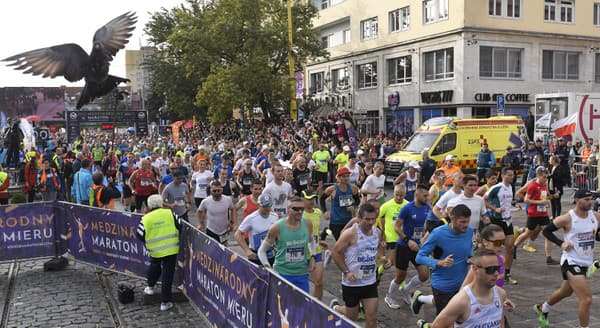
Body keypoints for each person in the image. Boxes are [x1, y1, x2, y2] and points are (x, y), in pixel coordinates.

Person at [535, 189, 600, 328]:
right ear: (577, 200)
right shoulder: (567, 218)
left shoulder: (595, 216)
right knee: (586, 299)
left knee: (565, 292)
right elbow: (546, 231)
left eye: (591, 199)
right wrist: (561, 243)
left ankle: (543, 308)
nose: (590, 202)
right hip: (571, 261)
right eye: (587, 199)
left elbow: (596, 235)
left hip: (586, 261)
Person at [329, 203, 391, 328]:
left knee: (372, 318)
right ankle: (336, 308)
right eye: (367, 219)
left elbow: (378, 247)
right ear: (359, 218)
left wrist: (383, 258)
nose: (370, 222)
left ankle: (339, 308)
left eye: (373, 219)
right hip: (352, 283)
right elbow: (336, 252)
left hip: (369, 282)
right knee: (353, 318)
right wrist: (346, 272)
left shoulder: (377, 232)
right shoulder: (350, 234)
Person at [422, 249, 509, 328]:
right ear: (475, 269)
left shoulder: (501, 294)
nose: (496, 273)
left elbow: (500, 324)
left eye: (498, 268)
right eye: (491, 269)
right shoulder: (461, 301)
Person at [413, 205, 474, 315]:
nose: (466, 226)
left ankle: (420, 299)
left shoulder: (469, 231)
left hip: (463, 284)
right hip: (443, 285)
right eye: (462, 222)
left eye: (467, 222)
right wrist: (439, 262)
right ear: (452, 219)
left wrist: (471, 257)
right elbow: (420, 257)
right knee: (446, 320)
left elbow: (469, 249)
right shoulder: (438, 233)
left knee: (461, 318)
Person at [385, 184, 430, 309]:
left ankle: (406, 289)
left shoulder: (427, 207)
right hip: (404, 246)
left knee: (424, 275)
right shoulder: (407, 208)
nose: (427, 198)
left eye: (428, 195)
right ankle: (389, 296)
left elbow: (427, 226)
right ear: (417, 194)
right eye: (425, 195)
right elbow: (397, 227)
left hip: (418, 247)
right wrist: (408, 240)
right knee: (400, 276)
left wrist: (424, 238)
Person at [258, 196, 315, 293]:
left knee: (302, 306)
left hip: (302, 274)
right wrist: (268, 268)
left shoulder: (308, 224)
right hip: (282, 274)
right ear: (288, 209)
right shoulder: (277, 228)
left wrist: (313, 256)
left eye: (302, 209)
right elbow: (261, 251)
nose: (300, 212)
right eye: (296, 209)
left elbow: (311, 240)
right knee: (281, 306)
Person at [136, 194, 182, 312]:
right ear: (161, 203)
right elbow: (180, 225)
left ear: (149, 206)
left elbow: (139, 234)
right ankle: (165, 302)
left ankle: (150, 287)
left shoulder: (146, 218)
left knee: (154, 267)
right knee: (168, 274)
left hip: (155, 250)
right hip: (171, 248)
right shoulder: (170, 213)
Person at [514, 166, 559, 265]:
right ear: (538, 176)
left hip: (543, 214)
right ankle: (514, 246)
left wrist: (549, 200)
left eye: (546, 177)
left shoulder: (545, 185)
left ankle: (549, 257)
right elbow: (526, 199)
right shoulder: (532, 185)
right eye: (543, 177)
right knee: (528, 233)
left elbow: (546, 196)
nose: (545, 179)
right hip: (533, 214)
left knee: (548, 234)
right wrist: (539, 202)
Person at [484, 167, 518, 285]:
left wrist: (514, 204)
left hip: (507, 220)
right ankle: (491, 271)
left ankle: (507, 273)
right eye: (509, 175)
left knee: (510, 248)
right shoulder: (496, 187)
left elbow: (507, 202)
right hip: (497, 221)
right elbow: (484, 200)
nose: (512, 177)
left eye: (513, 175)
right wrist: (495, 209)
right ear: (503, 176)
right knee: (496, 248)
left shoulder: (510, 187)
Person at [235, 194, 278, 266]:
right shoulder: (251, 218)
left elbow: (276, 234)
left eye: (269, 205)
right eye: (264, 206)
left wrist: (277, 247)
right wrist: (247, 251)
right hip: (255, 256)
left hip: (270, 255)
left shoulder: (275, 216)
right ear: (258, 205)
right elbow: (238, 234)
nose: (267, 208)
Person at [301, 190, 329, 300]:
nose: (311, 201)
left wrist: (320, 241)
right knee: (303, 282)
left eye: (312, 198)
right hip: (302, 253)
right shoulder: (299, 214)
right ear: (302, 199)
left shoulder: (318, 212)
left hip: (316, 251)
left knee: (319, 281)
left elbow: (315, 232)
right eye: (308, 199)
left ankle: (318, 304)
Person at [325, 167, 360, 240]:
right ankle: (325, 232)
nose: (346, 178)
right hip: (336, 221)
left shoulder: (353, 188)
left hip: (348, 220)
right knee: (341, 243)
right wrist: (325, 211)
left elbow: (357, 200)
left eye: (348, 176)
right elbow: (322, 199)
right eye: (344, 176)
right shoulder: (332, 189)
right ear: (338, 177)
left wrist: (353, 206)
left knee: (348, 244)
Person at [379, 184, 409, 267]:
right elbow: (378, 217)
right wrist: (382, 233)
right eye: (397, 195)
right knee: (394, 262)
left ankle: (379, 271)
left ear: (405, 194)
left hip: (403, 236)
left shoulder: (408, 205)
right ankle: (399, 280)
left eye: (401, 195)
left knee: (395, 262)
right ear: (393, 193)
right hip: (391, 237)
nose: (399, 197)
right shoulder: (386, 205)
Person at [197, 181, 235, 245]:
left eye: (218, 190)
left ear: (222, 190)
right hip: (211, 230)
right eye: (214, 191)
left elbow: (232, 209)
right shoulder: (206, 201)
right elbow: (199, 211)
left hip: (224, 230)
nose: (216, 193)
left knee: (224, 249)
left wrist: (231, 222)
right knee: (211, 250)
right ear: (210, 190)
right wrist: (199, 223)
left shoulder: (227, 199)